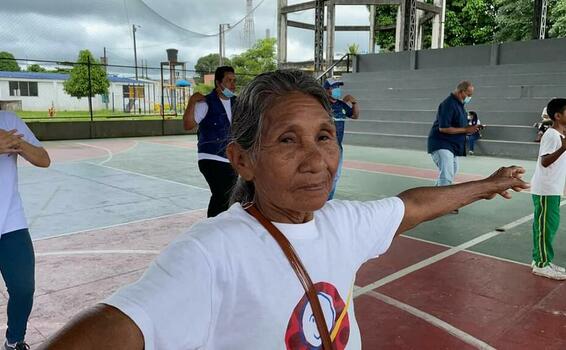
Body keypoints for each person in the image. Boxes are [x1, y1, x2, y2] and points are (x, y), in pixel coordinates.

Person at [38, 70, 528, 350]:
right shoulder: (213, 250)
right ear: (242, 160)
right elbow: (117, 328)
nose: (316, 160)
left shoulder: (341, 224)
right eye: (287, 140)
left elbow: (413, 205)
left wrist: (485, 186)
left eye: (324, 137)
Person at [0, 111, 50, 350]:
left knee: (23, 288)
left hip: (11, 221)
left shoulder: (8, 121)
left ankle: (14, 340)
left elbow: (44, 159)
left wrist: (18, 143)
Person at [183, 66, 238, 217]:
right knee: (222, 195)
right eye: (229, 80)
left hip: (231, 158)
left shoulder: (238, 103)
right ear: (218, 83)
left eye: (234, 80)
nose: (233, 84)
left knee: (232, 197)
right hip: (211, 157)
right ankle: (212, 226)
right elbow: (188, 125)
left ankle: (223, 225)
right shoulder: (206, 103)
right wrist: (192, 101)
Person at [427, 81, 482, 213]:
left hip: (451, 145)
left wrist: (469, 129)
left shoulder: (460, 105)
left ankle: (430, 198)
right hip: (441, 143)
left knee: (451, 171)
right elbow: (444, 128)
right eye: (468, 94)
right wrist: (465, 129)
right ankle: (444, 205)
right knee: (447, 174)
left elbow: (461, 126)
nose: (469, 97)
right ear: (461, 91)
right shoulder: (448, 104)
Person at [529, 98, 566, 280]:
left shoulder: (561, 134)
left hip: (553, 189)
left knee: (547, 227)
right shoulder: (551, 135)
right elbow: (545, 161)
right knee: (545, 227)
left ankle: (541, 260)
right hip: (545, 190)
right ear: (558, 116)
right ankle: (541, 265)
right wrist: (563, 149)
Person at [323, 78, 359, 199]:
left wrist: (354, 103)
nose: (338, 90)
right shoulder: (321, 104)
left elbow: (355, 116)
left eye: (339, 87)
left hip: (337, 147)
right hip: (323, 147)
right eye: (334, 87)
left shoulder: (341, 105)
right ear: (327, 90)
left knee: (336, 175)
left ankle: (328, 201)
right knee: (322, 174)